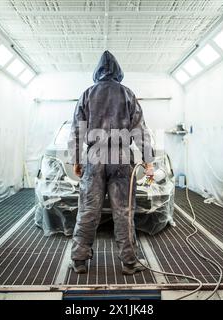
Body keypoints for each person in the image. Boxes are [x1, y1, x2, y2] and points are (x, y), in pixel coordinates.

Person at [67, 51, 154, 275]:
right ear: (118, 72)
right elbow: (140, 130)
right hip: (122, 158)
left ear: (97, 72)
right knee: (124, 211)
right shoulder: (127, 94)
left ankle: (79, 260)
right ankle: (129, 262)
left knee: (88, 209)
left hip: (94, 158)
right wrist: (148, 161)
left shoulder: (87, 94)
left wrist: (76, 160)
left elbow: (77, 130)